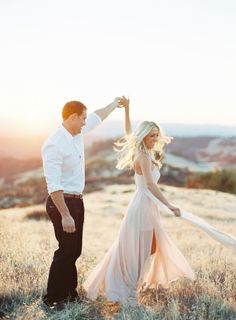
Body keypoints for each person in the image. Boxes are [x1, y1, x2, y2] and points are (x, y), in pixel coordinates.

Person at [83, 97, 236, 306]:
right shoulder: (143, 157)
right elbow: (150, 185)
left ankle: (133, 282)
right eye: (151, 135)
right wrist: (169, 205)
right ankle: (128, 288)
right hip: (143, 205)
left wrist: (127, 110)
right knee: (141, 249)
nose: (155, 139)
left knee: (147, 247)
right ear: (144, 136)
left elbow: (129, 132)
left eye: (156, 135)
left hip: (146, 205)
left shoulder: (141, 150)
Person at [41, 97, 125, 310]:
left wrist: (115, 104)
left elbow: (99, 116)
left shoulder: (76, 133)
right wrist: (65, 214)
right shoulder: (54, 144)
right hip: (62, 203)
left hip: (77, 201)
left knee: (74, 250)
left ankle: (70, 294)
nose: (86, 123)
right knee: (65, 250)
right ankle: (52, 298)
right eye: (82, 119)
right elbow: (54, 185)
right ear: (72, 117)